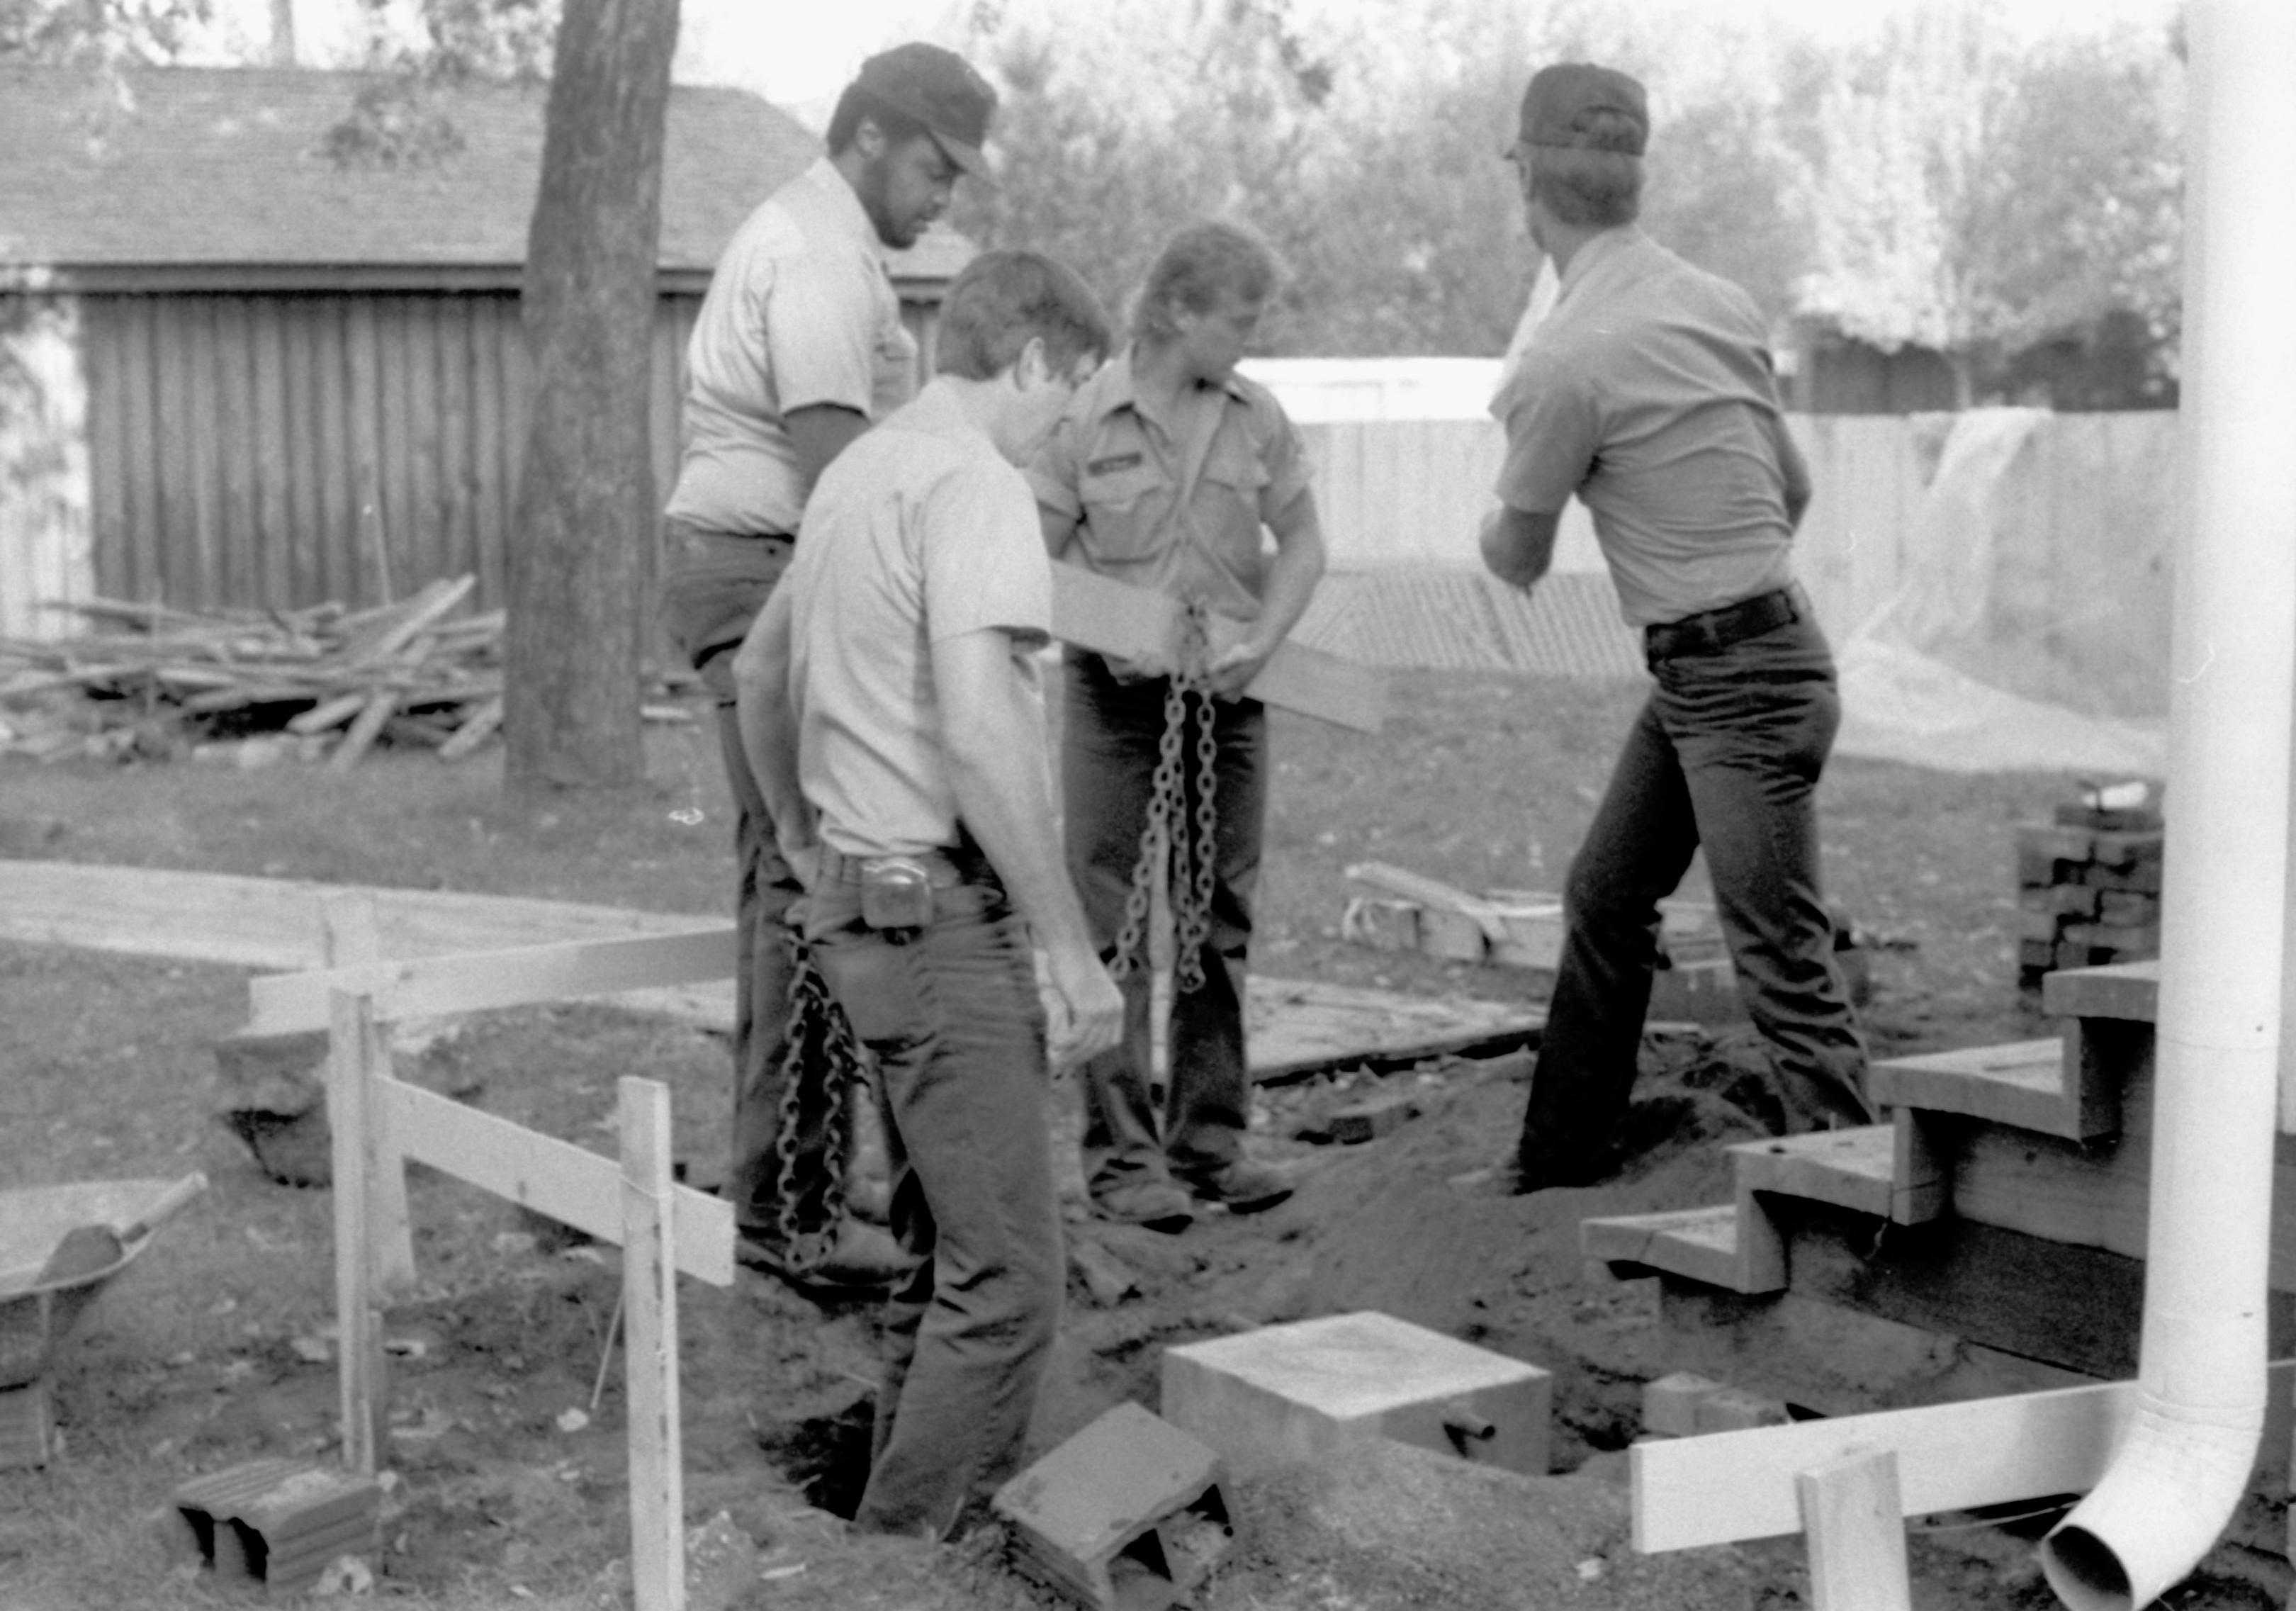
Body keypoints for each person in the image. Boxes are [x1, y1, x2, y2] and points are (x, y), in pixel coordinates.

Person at [730, 249, 1125, 1539]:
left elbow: (759, 671)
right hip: (940, 923)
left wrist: (802, 835)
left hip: (862, 910)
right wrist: (1070, 951)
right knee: (1011, 1281)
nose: (1069, 433)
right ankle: (903, 1564)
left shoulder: (861, 469)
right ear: (1034, 363)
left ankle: (893, 1529)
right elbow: (979, 735)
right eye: (1071, 402)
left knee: (945, 1253)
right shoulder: (975, 482)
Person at [1479, 63, 1874, 1192]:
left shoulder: (1563, 361)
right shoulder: (1715, 301)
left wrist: (1498, 502)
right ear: (1633, 181)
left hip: (1734, 684)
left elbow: (1516, 558)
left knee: (1782, 961)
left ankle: (1865, 1237)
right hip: (1738, 660)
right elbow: (1789, 492)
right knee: (1606, 893)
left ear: (1528, 186)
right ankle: (1561, 1160)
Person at [655, 42, 997, 1294]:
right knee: (809, 879)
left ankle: (795, 1181)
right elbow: (831, 460)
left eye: (958, 176)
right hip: (763, 573)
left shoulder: (835, 247)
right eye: (933, 166)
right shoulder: (814, 254)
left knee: (809, 874)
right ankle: (789, 1217)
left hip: (768, 567)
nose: (944, 196)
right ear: (869, 139)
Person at [1030, 220, 1327, 1232]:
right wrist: (1120, 630)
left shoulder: (1257, 416)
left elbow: (1304, 544)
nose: (1250, 336)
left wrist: (1268, 639)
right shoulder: (1082, 422)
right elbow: (1028, 561)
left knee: (1216, 923)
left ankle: (1211, 1143)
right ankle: (1122, 1162)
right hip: (1115, 709)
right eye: (1239, 318)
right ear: (1176, 312)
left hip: (1230, 703)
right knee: (1115, 933)